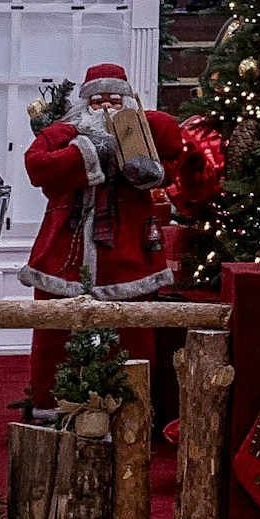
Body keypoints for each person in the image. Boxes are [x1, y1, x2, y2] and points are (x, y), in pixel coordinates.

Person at [21, 65, 187, 409]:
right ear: (85, 105)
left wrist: (140, 152)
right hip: (65, 251)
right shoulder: (65, 132)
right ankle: (52, 405)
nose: (107, 109)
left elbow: (169, 154)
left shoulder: (138, 134)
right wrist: (89, 151)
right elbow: (38, 165)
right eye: (98, 103)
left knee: (132, 333)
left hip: (128, 252)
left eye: (115, 101)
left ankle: (131, 407)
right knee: (56, 332)